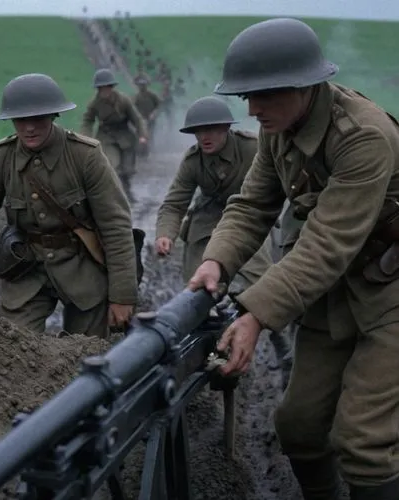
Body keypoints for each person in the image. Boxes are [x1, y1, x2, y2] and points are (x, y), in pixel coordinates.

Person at [189, 18, 399, 500]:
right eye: (247, 97)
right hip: (335, 296)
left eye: (267, 94)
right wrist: (216, 261)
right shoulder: (279, 128)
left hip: (390, 296)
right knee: (298, 427)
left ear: (306, 85)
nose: (254, 108)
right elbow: (253, 204)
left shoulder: (362, 137)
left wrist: (255, 317)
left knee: (364, 441)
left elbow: (327, 243)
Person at [0, 73, 139, 337]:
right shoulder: (1, 157)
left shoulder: (85, 156)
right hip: (26, 270)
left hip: (82, 268)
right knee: (13, 350)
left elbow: (115, 225)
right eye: (21, 119)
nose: (29, 127)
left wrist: (123, 296)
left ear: (54, 115)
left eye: (38, 118)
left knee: (87, 355)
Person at [155, 95, 273, 287]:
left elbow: (278, 180)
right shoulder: (193, 161)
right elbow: (174, 204)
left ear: (226, 127)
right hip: (207, 216)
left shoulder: (251, 148)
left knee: (259, 278)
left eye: (210, 129)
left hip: (246, 213)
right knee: (195, 282)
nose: (204, 137)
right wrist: (164, 234)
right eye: (198, 131)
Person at [80, 68, 148, 201]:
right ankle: (116, 196)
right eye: (101, 88)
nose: (104, 91)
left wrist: (142, 135)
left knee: (127, 170)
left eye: (107, 87)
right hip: (106, 137)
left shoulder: (123, 100)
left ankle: (127, 190)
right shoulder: (94, 103)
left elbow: (136, 118)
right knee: (113, 165)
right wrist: (86, 138)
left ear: (111, 87)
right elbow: (87, 121)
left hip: (125, 136)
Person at [132, 72, 161, 154]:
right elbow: (132, 108)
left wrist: (154, 113)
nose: (142, 87)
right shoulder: (136, 97)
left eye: (144, 85)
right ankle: (141, 151)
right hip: (140, 120)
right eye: (140, 85)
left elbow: (159, 105)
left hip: (151, 119)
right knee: (140, 135)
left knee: (150, 135)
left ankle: (150, 151)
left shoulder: (152, 95)